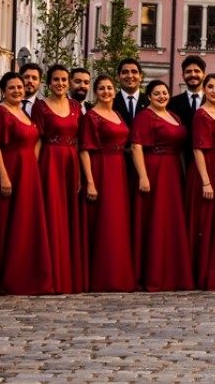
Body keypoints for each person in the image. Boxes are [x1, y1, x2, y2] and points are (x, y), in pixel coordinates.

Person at [0, 72, 54, 295]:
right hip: (11, 169)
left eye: (20, 87)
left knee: (26, 222)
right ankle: (8, 276)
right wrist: (4, 176)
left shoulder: (25, 112)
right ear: (3, 90)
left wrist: (32, 164)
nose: (17, 90)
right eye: (12, 87)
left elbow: (36, 140)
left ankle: (28, 273)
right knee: (9, 222)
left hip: (28, 172)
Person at [129, 79, 194, 291]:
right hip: (154, 170)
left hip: (174, 171)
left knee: (171, 221)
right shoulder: (144, 117)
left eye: (165, 93)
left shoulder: (174, 116)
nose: (162, 96)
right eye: (157, 93)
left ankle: (173, 273)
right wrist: (143, 176)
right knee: (156, 220)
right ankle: (154, 273)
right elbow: (136, 147)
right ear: (149, 96)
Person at [78, 75, 135, 293]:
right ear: (95, 91)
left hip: (118, 169)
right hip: (100, 168)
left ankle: (119, 274)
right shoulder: (91, 117)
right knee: (105, 221)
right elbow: (84, 150)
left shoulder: (118, 114)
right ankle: (104, 276)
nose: (106, 92)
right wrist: (90, 182)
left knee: (118, 221)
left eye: (109, 88)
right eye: (101, 88)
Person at [32, 64, 85, 294]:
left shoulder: (75, 107)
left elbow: (78, 140)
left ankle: (68, 273)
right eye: (56, 79)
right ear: (49, 82)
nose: (61, 83)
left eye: (64, 80)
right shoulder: (40, 107)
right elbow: (37, 140)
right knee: (52, 213)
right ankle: (52, 272)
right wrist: (33, 171)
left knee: (68, 214)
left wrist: (80, 173)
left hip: (70, 161)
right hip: (49, 161)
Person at [186, 73, 215, 291]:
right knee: (205, 219)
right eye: (210, 87)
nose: (214, 90)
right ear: (204, 90)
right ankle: (203, 271)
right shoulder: (202, 115)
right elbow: (197, 149)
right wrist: (206, 181)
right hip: (206, 169)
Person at [169, 55, 215, 131]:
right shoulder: (173, 103)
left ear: (204, 75)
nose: (193, 75)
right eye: (188, 71)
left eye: (197, 71)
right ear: (183, 75)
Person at [112, 58, 148, 126]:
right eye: (125, 72)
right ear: (118, 77)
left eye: (134, 72)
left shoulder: (149, 103)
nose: (130, 76)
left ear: (140, 77)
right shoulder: (111, 102)